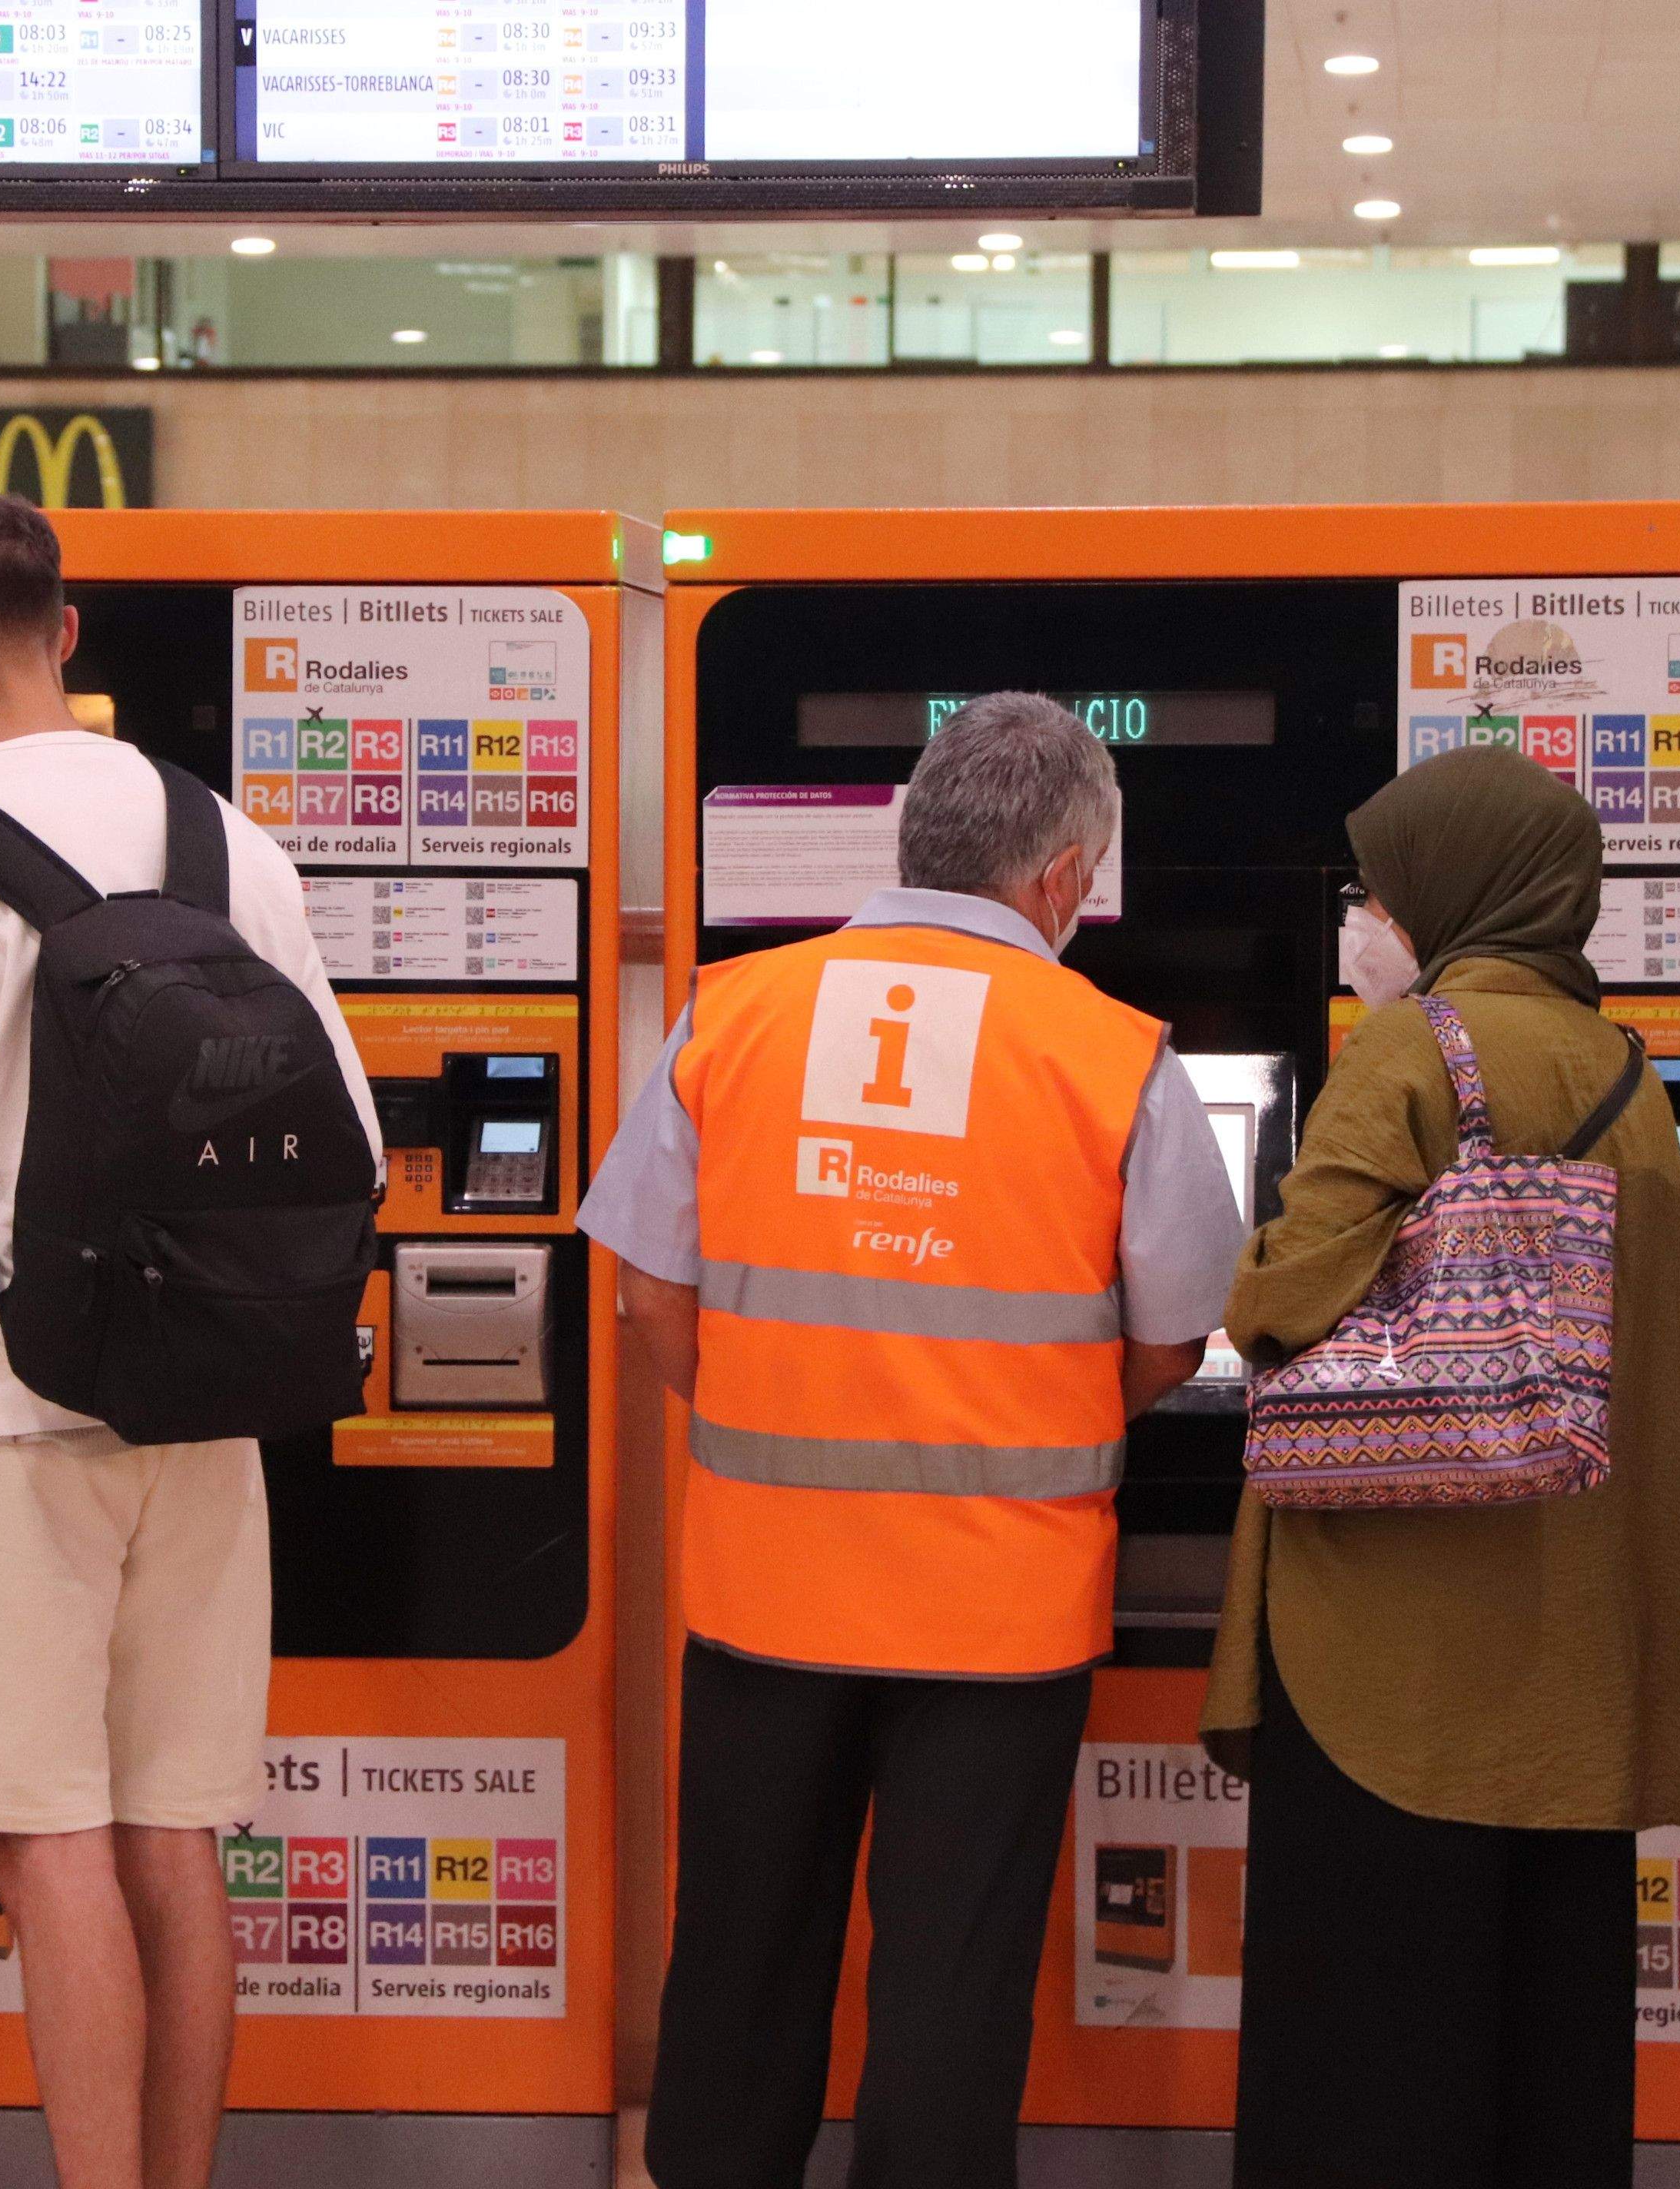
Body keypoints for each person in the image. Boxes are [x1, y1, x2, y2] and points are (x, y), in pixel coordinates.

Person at [583, 692, 1246, 2189]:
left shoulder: (733, 1011)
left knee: (740, 1951)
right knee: (952, 1980)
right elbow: (1174, 1335)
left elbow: (649, 1294)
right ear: (1062, 874)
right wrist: (1034, 1413)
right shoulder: (1115, 1055)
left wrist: (778, 1406)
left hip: (764, 1591)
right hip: (999, 1614)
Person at [0, 490, 381, 2189]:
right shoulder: (230, 843)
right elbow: (351, 1137)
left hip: (10, 1417)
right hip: (205, 1413)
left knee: (45, 1838)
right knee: (173, 1836)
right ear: (67, 631)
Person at [1204, 743, 1680, 2189]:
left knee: (1370, 2064)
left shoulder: (1413, 1050)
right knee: (1544, 2063)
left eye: (1377, 891)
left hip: (1395, 1661)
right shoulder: (1628, 1074)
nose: (1361, 919)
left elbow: (1279, 1302)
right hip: (1573, 1660)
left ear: (1453, 891)